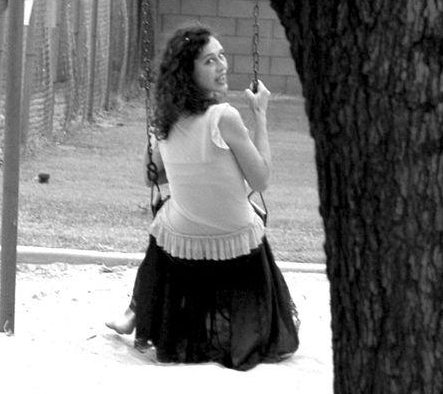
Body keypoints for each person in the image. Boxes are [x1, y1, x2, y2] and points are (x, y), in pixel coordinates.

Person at [106, 26, 299, 369]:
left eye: (221, 56)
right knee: (246, 211)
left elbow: (153, 177)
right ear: (189, 71)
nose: (222, 65)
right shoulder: (224, 117)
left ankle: (136, 309)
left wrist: (158, 140)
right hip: (236, 240)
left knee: (165, 218)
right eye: (210, 61)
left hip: (184, 243)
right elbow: (261, 180)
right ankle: (136, 309)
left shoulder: (167, 120)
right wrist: (260, 115)